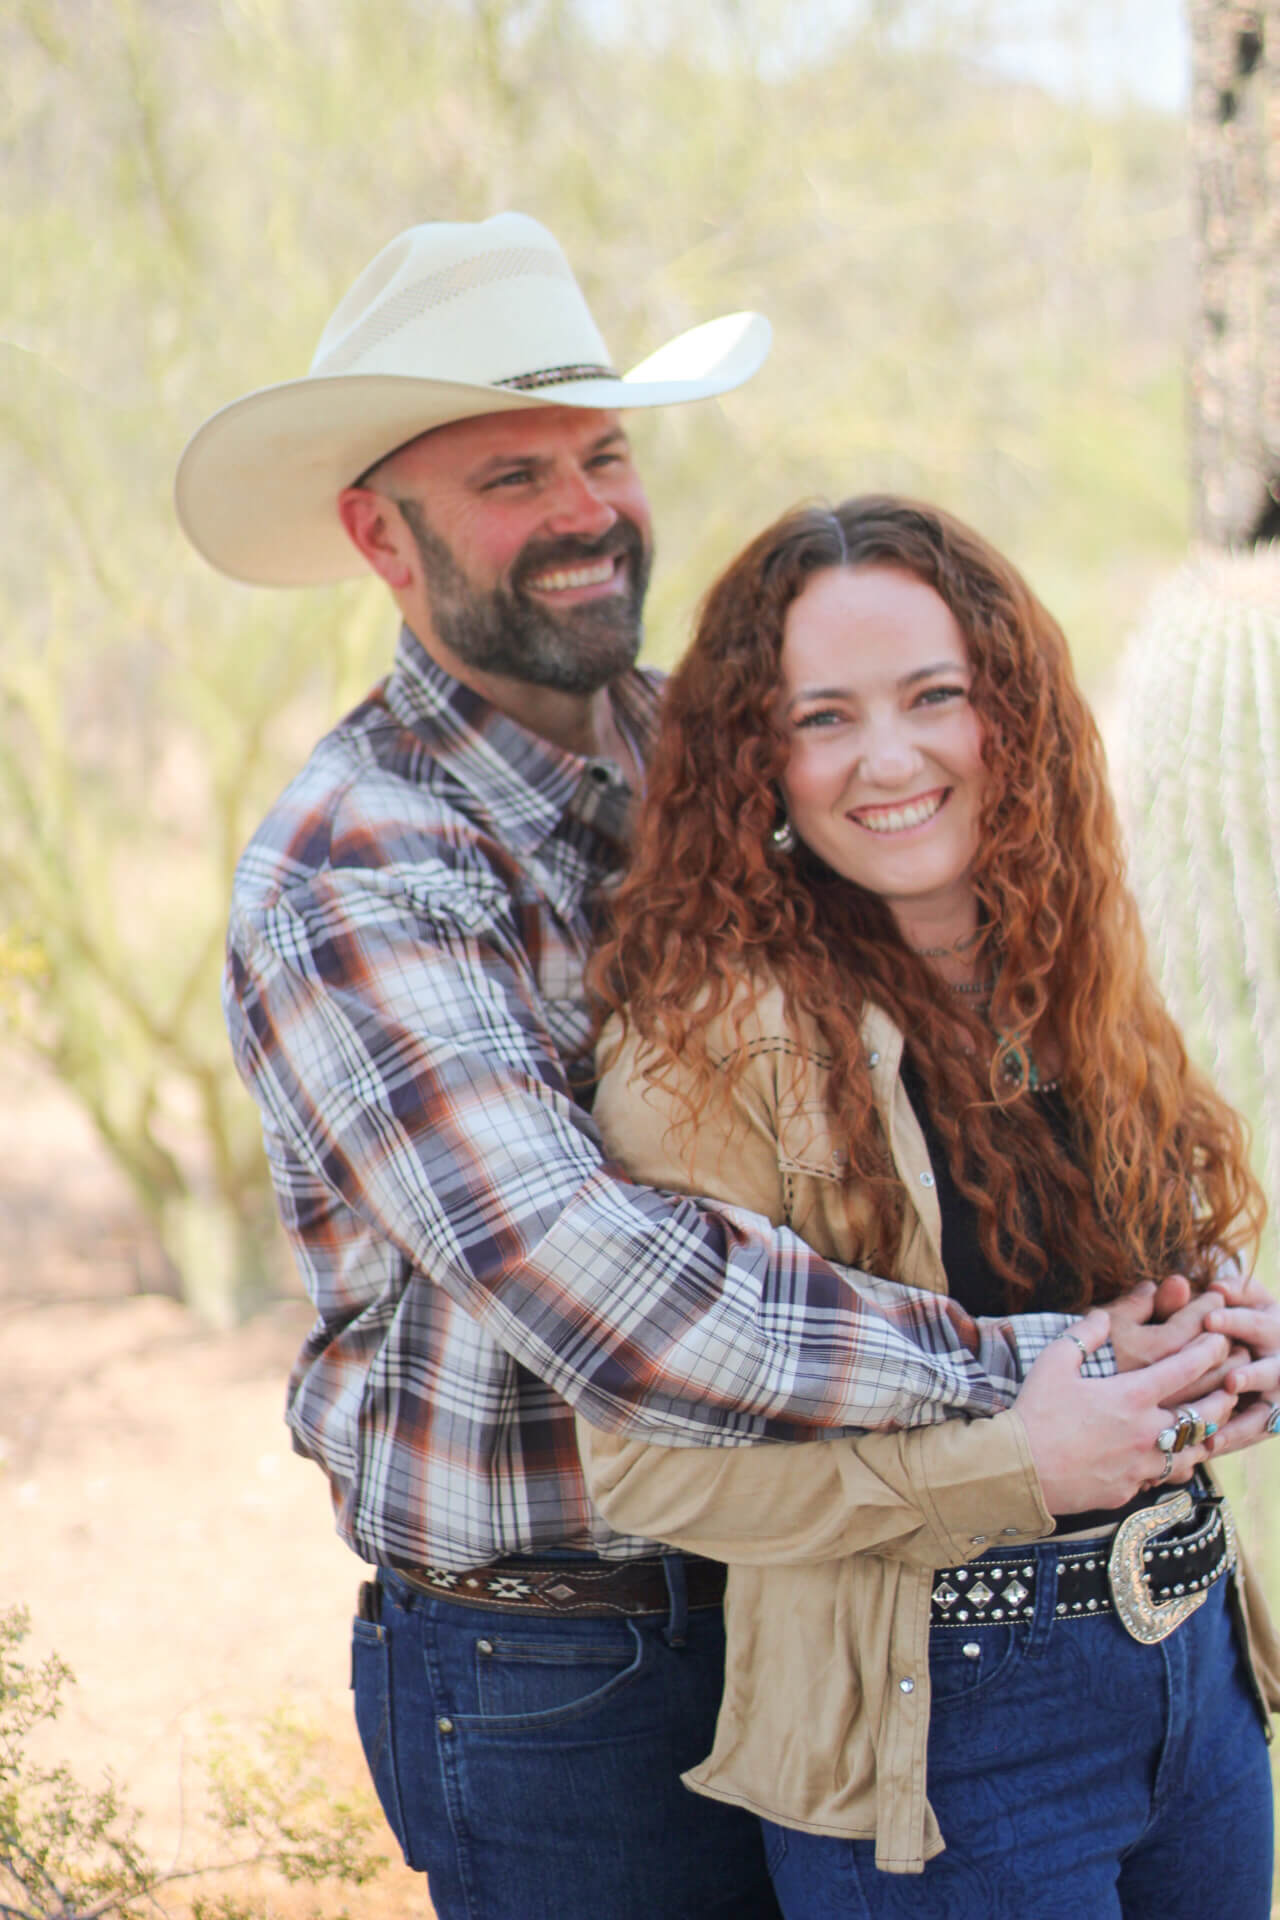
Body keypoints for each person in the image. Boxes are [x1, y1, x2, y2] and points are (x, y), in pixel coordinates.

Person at [175, 219, 1239, 1920]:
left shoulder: (723, 747)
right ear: (380, 534)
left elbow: (957, 1045)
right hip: (563, 1657)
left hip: (827, 1588)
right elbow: (603, 1287)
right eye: (513, 476)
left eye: (604, 453)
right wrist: (1043, 1367)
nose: (586, 510)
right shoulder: (358, 870)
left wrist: (1184, 1297)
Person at [578, 493, 1280, 1917]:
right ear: (756, 759)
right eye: (823, 716)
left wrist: (1229, 1353)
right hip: (940, 1745)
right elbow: (649, 1475)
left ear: (1006, 713)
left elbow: (1112, 1333)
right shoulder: (715, 1043)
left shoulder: (1065, 959)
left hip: (1196, 1677)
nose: (887, 758)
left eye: (933, 697)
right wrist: (1013, 1464)